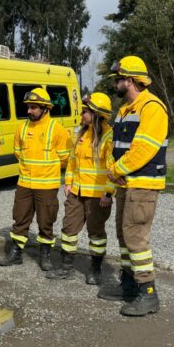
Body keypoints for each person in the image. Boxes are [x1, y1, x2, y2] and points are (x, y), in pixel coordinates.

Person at [99, 56, 168, 317]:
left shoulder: (152, 107)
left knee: (136, 237)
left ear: (130, 80)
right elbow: (117, 147)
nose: (115, 83)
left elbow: (144, 149)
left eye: (118, 79)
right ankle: (129, 284)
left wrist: (116, 169)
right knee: (123, 234)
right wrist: (114, 172)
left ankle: (147, 293)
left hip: (143, 183)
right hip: (126, 183)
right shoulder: (127, 109)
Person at [0, 88, 72, 269]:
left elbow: (65, 159)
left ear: (45, 108)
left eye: (33, 108)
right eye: (28, 107)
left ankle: (45, 255)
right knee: (20, 219)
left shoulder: (58, 130)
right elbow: (18, 153)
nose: (29, 111)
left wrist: (46, 171)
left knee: (46, 221)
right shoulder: (21, 128)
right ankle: (16, 252)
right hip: (24, 183)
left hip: (46, 186)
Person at [47, 93, 115, 282]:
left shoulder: (109, 136)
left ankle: (95, 270)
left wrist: (108, 193)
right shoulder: (81, 134)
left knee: (96, 234)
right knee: (68, 230)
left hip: (97, 196)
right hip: (76, 193)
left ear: (97, 113)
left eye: (86, 112)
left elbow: (113, 169)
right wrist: (68, 183)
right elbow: (72, 162)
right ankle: (66, 268)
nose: (82, 115)